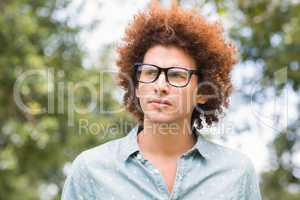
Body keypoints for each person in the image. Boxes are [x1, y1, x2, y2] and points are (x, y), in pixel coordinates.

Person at [62, 1, 262, 199]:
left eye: (176, 75)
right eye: (150, 72)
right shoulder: (90, 170)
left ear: (203, 92)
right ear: (137, 86)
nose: (160, 86)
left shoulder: (237, 173)